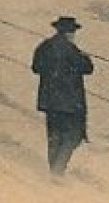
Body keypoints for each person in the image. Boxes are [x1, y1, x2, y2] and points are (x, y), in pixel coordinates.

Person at [32, 16, 94, 177]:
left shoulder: (44, 46)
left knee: (54, 136)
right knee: (73, 136)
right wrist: (85, 56)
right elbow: (88, 68)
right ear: (70, 33)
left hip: (50, 99)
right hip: (69, 101)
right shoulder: (72, 49)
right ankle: (58, 168)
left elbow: (36, 67)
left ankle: (54, 167)